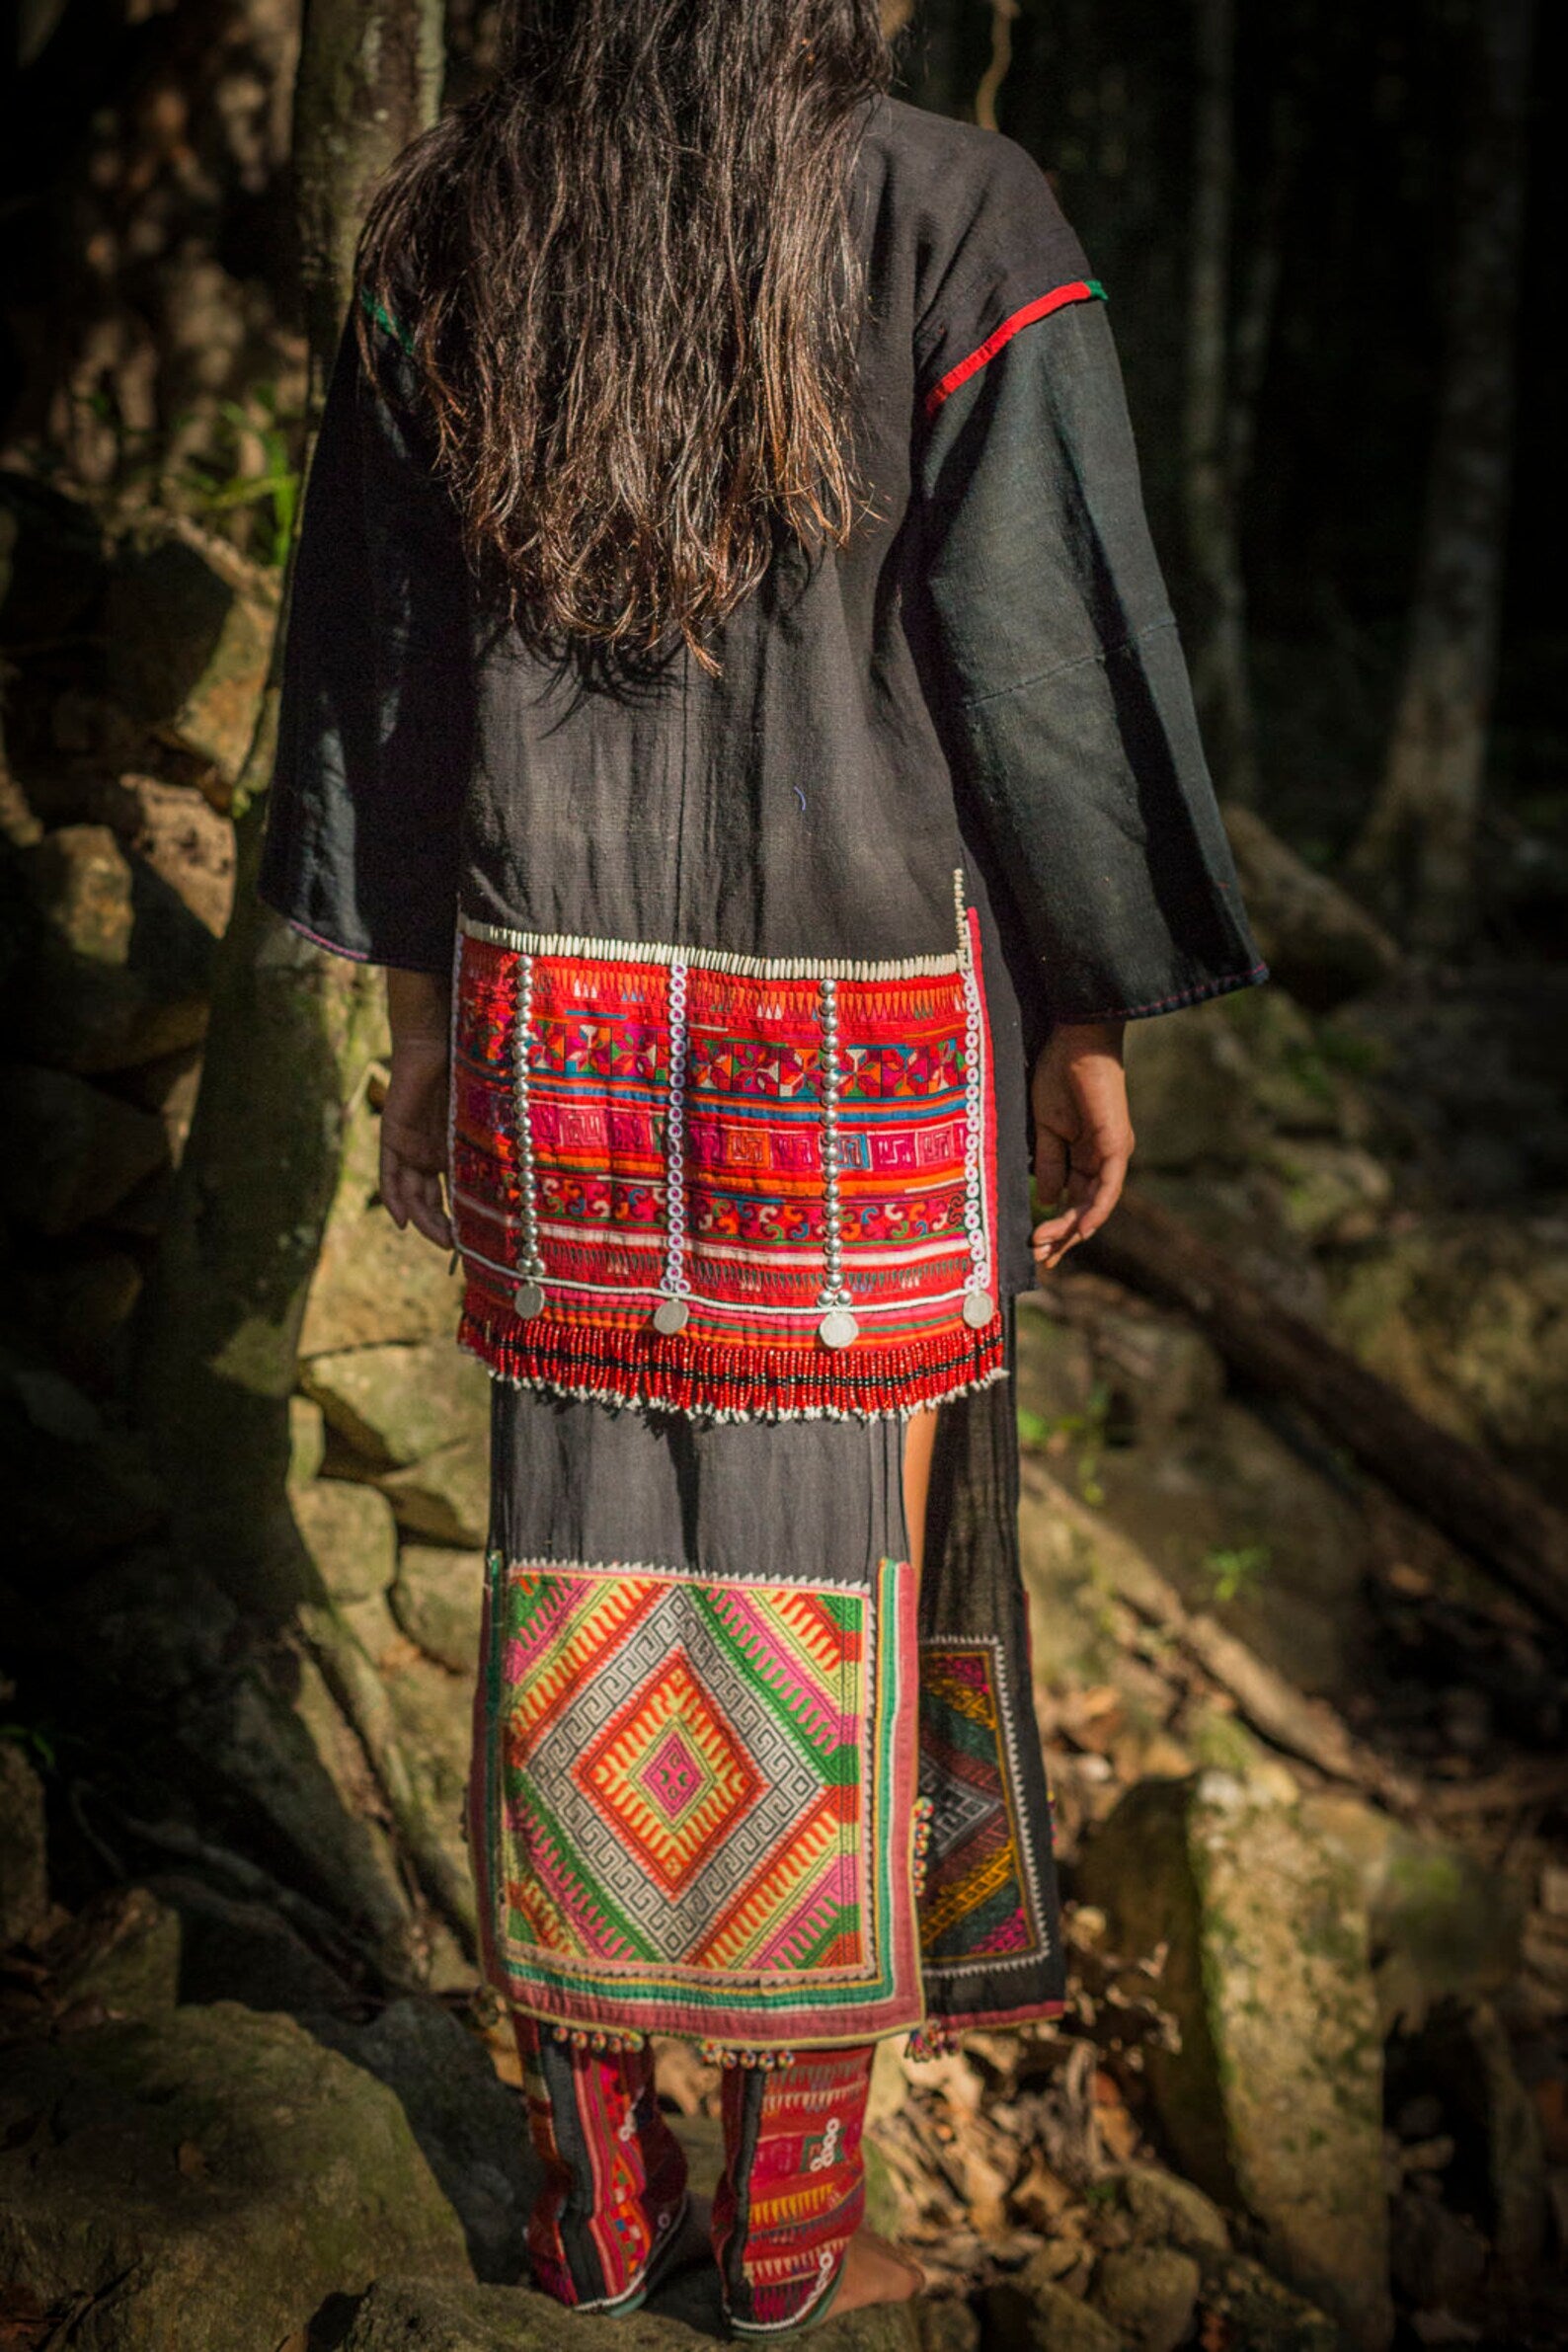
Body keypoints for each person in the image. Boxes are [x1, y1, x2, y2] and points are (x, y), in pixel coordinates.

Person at [260, 0, 1265, 2329]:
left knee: (579, 1582)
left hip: (559, 1032)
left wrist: (418, 1022)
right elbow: (1035, 649)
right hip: (867, 1056)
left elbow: (383, 673)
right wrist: (1084, 1010)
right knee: (839, 1598)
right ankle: (794, 2225)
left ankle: (588, 2209)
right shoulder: (951, 208)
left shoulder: (455, 220)